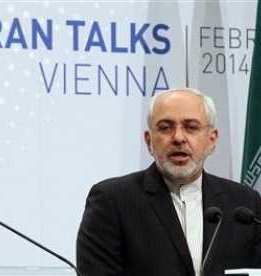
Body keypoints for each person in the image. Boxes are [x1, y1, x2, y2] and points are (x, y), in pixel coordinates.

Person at [76, 88, 261, 276]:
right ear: (149, 141)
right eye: (165, 127)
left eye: (191, 127)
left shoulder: (244, 203)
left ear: (211, 140)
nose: (179, 138)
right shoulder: (112, 200)